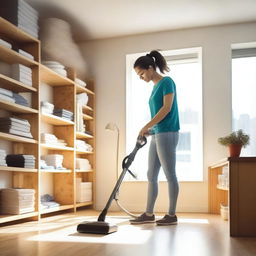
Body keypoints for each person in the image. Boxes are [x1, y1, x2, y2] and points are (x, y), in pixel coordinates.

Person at [130, 50, 180, 226]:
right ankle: (149, 213)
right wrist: (150, 130)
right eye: (138, 75)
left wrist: (146, 126)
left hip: (168, 133)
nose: (141, 77)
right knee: (151, 174)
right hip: (158, 133)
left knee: (170, 174)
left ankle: (172, 215)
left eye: (141, 73)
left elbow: (167, 108)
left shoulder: (167, 82)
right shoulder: (154, 88)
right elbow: (159, 113)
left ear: (150, 68)